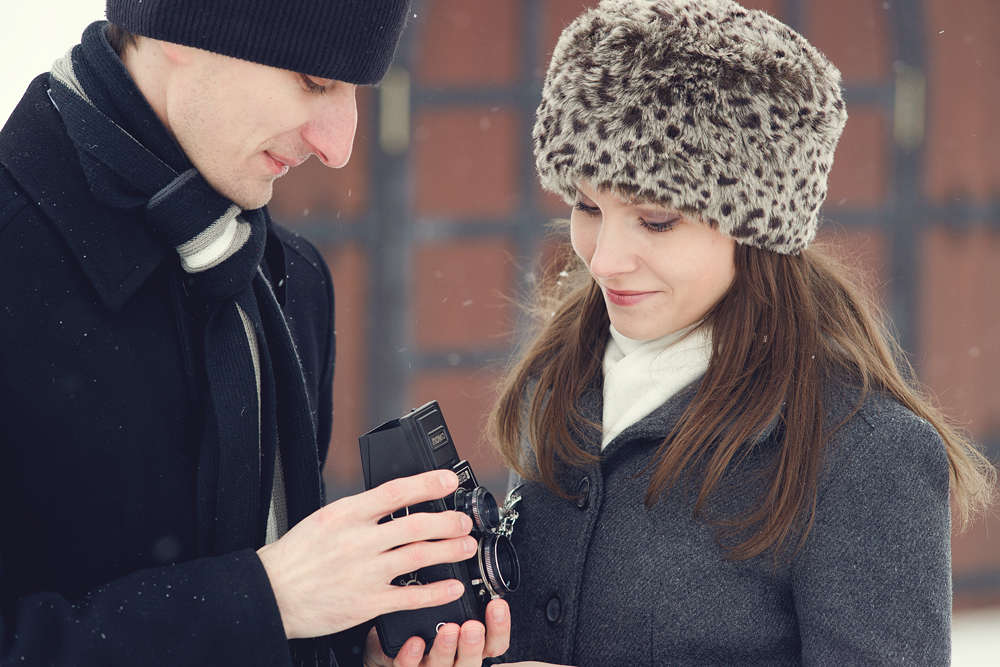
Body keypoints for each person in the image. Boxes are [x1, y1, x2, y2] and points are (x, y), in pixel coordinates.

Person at [0, 1, 508, 666]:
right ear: (178, 26)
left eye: (356, 89)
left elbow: (284, 603)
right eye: (314, 80)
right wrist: (262, 601)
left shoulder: (290, 279)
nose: (339, 145)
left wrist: (356, 652)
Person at [488, 0, 995, 664]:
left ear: (755, 230)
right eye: (587, 206)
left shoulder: (864, 454)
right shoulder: (561, 379)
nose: (604, 257)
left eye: (656, 219)